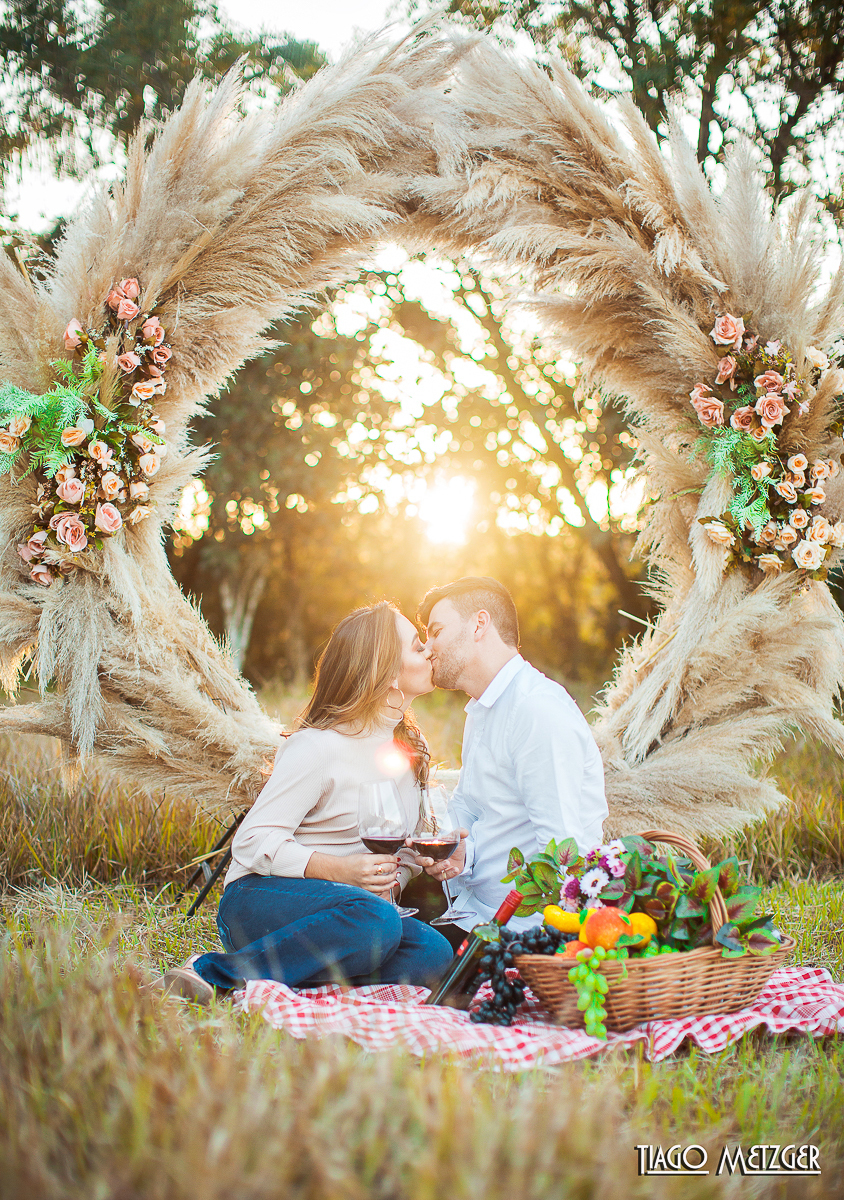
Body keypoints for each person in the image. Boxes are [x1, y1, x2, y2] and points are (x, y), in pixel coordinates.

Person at [156, 602, 453, 1002]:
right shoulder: (317, 747)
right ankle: (212, 973)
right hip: (262, 899)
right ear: (386, 674)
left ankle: (286, 973)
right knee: (376, 923)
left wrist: (398, 878)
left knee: (434, 954)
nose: (430, 650)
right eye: (418, 646)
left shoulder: (411, 749)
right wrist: (341, 871)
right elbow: (251, 842)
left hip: (353, 912)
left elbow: (400, 852)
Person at [415, 576, 608, 934]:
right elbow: (471, 808)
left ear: (479, 624)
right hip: (470, 908)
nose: (428, 648)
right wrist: (458, 849)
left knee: (397, 952)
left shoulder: (536, 710)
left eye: (436, 631)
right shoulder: (482, 709)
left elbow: (563, 850)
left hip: (520, 931)